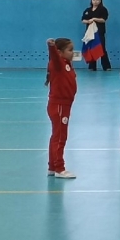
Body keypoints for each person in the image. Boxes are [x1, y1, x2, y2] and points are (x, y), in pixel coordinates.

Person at [46, 37, 77, 179]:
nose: (72, 53)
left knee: (56, 136)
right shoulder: (57, 63)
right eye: (70, 50)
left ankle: (52, 167)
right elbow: (54, 56)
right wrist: (51, 47)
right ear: (60, 52)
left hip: (65, 105)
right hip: (59, 106)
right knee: (60, 137)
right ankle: (59, 168)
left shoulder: (67, 64)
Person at [81, 0, 111, 71]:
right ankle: (92, 66)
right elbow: (83, 20)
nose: (95, 1)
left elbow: (103, 20)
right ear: (91, 1)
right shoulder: (88, 10)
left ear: (100, 1)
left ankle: (106, 66)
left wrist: (94, 19)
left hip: (99, 32)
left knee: (102, 48)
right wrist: (88, 21)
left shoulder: (103, 9)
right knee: (91, 48)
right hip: (90, 32)